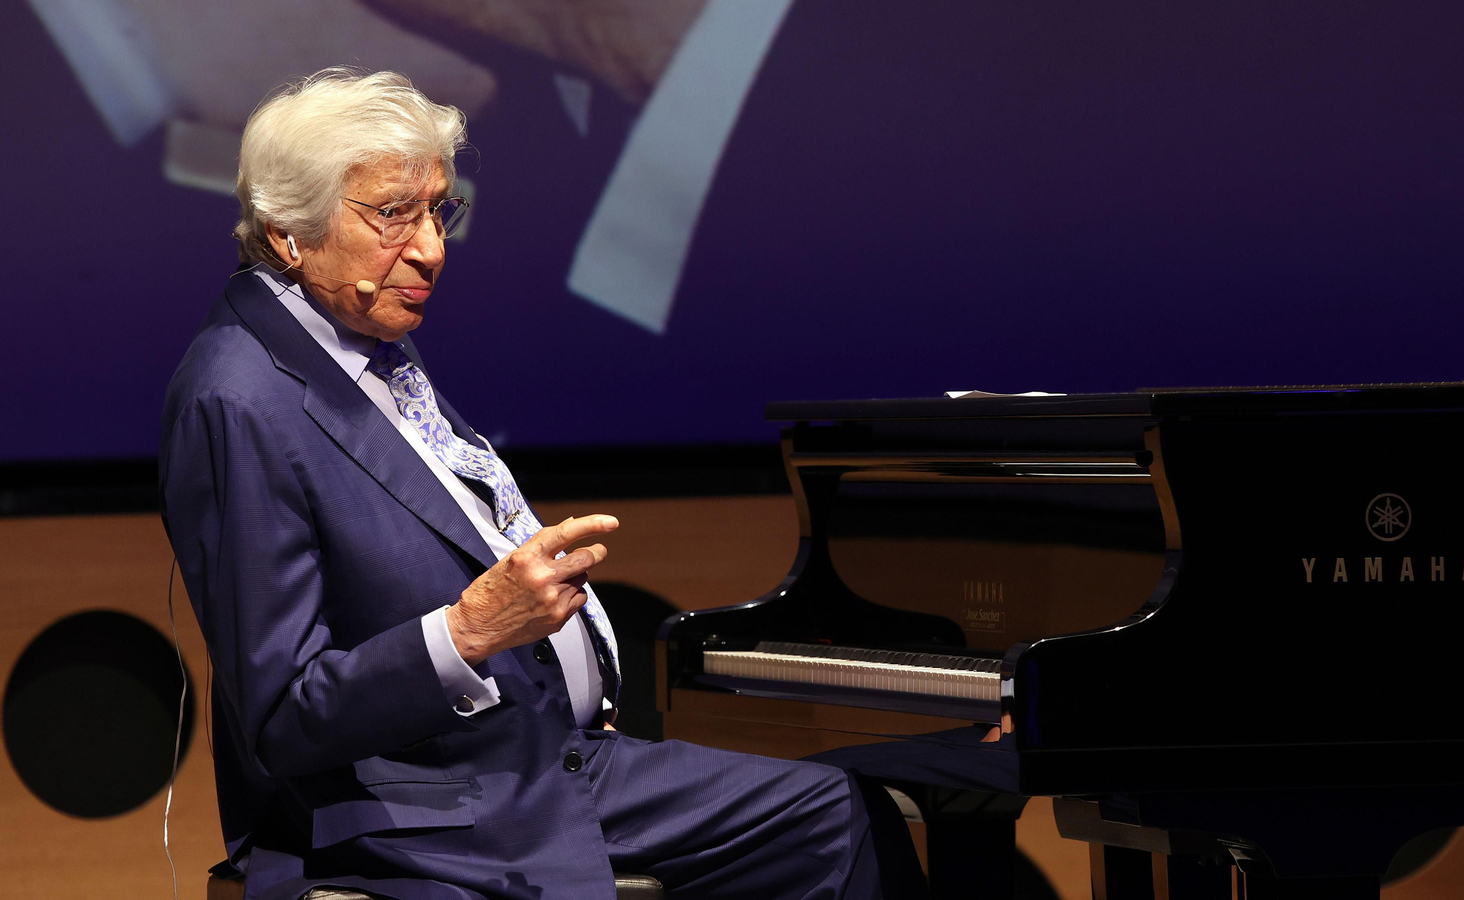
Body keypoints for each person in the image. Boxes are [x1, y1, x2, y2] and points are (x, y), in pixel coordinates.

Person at [159, 68, 925, 900]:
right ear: (286, 233)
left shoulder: (357, 337)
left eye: (438, 210)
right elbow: (281, 715)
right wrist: (470, 630)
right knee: (840, 828)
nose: (430, 249)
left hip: (532, 756)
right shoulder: (238, 396)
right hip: (429, 808)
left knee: (862, 812)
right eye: (391, 215)